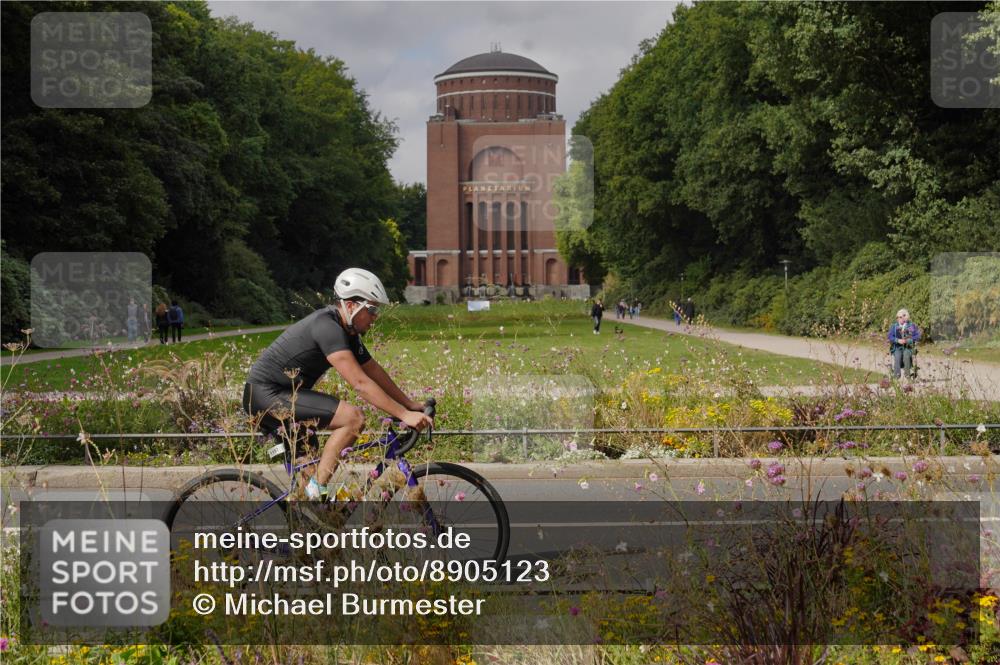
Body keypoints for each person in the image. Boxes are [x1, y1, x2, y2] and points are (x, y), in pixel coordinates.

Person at [243, 268, 433, 501]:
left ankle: (308, 518)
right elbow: (360, 383)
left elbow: (373, 371)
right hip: (266, 395)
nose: (375, 317)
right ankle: (316, 491)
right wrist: (403, 414)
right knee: (352, 418)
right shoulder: (327, 327)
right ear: (351, 305)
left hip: (284, 395)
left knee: (309, 491)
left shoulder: (348, 332)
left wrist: (409, 404)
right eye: (372, 310)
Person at [887, 308, 921, 379]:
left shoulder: (911, 326)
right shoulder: (895, 326)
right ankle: (896, 375)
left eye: (901, 317)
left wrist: (909, 340)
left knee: (906, 355)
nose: (899, 319)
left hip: (908, 347)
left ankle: (908, 375)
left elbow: (917, 336)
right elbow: (890, 336)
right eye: (898, 317)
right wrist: (897, 340)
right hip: (897, 347)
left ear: (905, 317)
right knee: (897, 356)